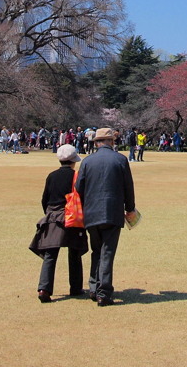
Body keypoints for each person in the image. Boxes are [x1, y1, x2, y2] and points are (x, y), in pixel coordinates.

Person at [75, 127, 137, 307]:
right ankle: (104, 292)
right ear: (112, 141)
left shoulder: (87, 161)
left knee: (96, 250)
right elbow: (128, 187)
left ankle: (94, 288)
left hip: (91, 212)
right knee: (108, 252)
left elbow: (79, 188)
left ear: (96, 142)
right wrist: (130, 208)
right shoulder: (120, 159)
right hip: (112, 211)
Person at [30, 144, 88, 302]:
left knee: (50, 254)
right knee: (75, 253)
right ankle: (75, 288)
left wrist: (50, 213)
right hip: (72, 217)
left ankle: (44, 289)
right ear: (73, 161)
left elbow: (44, 199)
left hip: (53, 216)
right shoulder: (76, 176)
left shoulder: (51, 176)